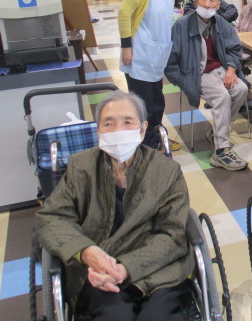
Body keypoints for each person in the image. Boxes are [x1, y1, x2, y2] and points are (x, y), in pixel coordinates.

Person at [36, 90, 193, 321]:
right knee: (114, 315)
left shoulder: (166, 171)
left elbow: (172, 234)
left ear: (142, 129)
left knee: (158, 316)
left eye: (128, 122)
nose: (119, 130)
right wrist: (86, 252)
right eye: (108, 123)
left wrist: (125, 268)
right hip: (97, 271)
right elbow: (52, 217)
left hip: (157, 268)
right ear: (98, 131)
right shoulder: (81, 168)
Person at [165, 0, 249, 171]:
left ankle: (217, 133)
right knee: (222, 96)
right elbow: (170, 61)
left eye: (212, 0)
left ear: (219, 4)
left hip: (220, 69)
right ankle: (221, 152)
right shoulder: (182, 25)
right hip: (196, 73)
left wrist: (231, 70)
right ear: (196, 2)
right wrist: (183, 80)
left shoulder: (221, 23)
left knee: (242, 89)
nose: (208, 4)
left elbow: (235, 49)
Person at [118, 0, 186, 152]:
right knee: (143, 105)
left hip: (156, 55)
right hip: (138, 53)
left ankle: (157, 136)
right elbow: (124, 14)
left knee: (157, 102)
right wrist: (126, 47)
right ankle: (146, 146)